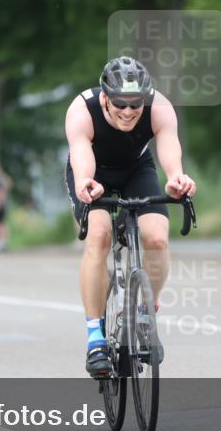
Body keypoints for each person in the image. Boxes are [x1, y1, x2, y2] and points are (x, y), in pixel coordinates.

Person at [64, 56, 196, 378]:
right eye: (120, 103)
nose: (128, 111)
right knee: (99, 236)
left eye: (135, 104)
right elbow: (81, 151)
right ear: (106, 97)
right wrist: (84, 182)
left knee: (157, 237)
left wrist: (176, 178)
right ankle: (96, 337)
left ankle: (143, 314)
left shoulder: (159, 107)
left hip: (138, 169)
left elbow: (169, 147)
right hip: (93, 174)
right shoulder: (82, 109)